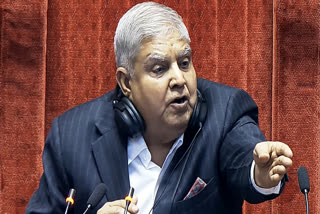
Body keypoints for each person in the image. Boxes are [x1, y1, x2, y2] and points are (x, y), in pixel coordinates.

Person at [26, 2, 293, 214]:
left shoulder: (225, 111)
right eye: (159, 68)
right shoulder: (71, 136)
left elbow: (245, 159)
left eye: (185, 62)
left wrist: (259, 174)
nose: (179, 79)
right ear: (126, 82)